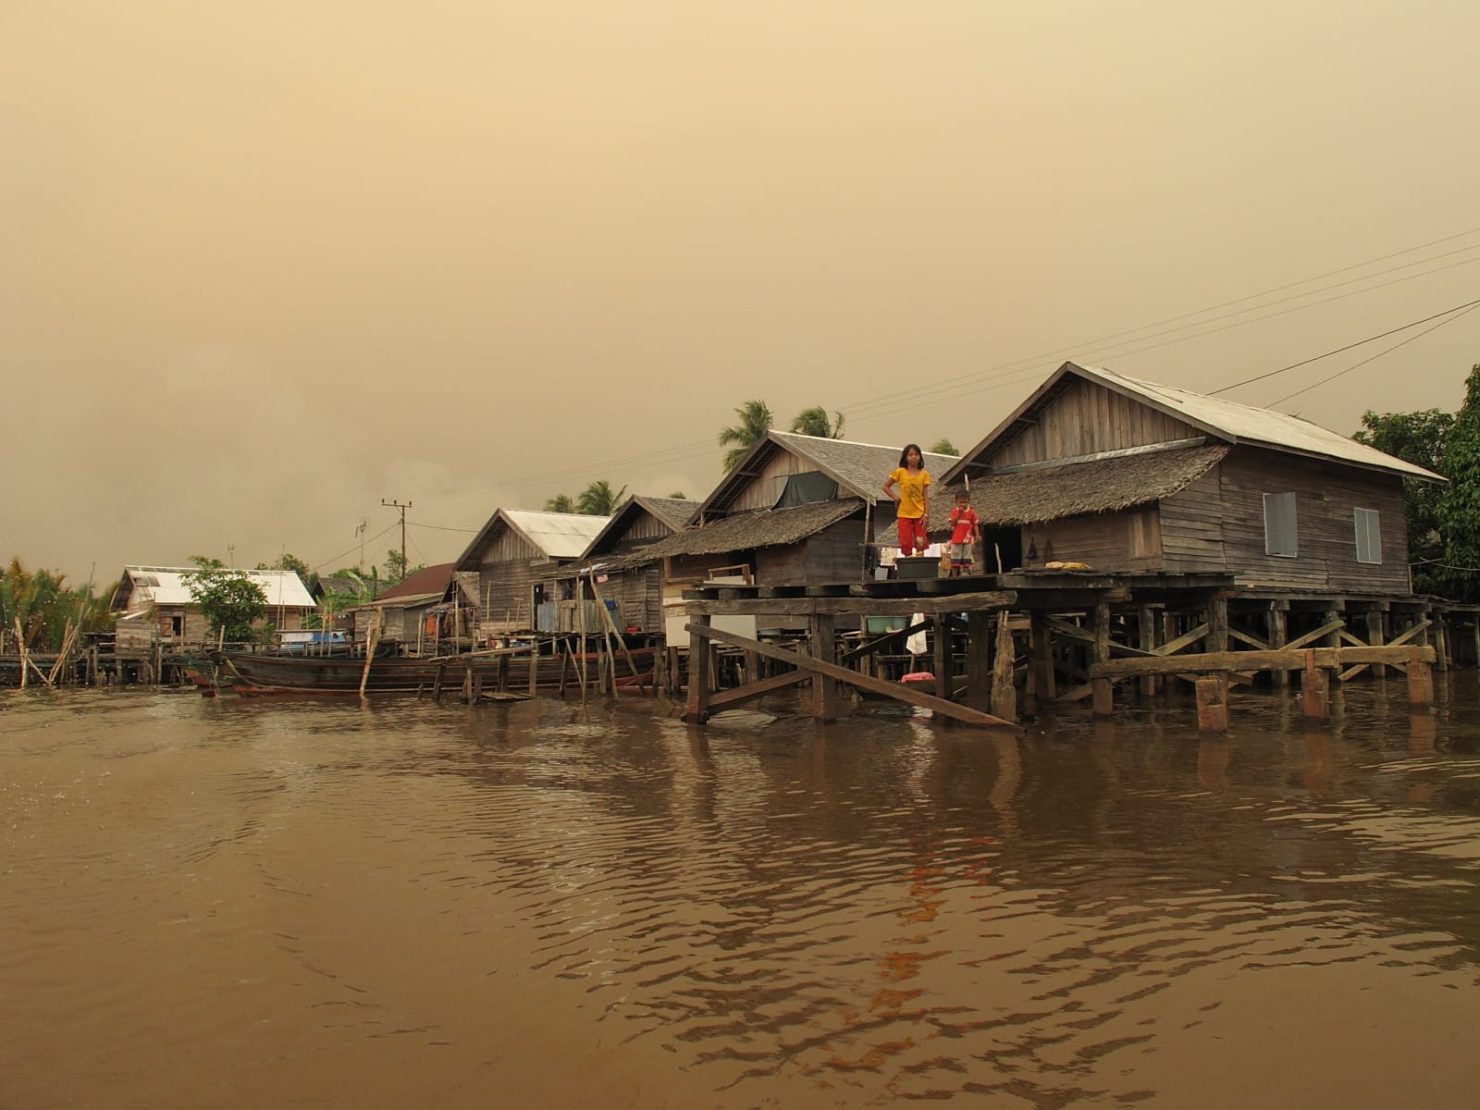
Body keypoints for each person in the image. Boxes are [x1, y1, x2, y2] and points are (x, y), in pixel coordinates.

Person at [883, 443, 932, 557]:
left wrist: (926, 514)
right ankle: (908, 567)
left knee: (920, 542)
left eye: (916, 454)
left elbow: (925, 496)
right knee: (906, 542)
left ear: (920, 457)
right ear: (905, 457)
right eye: (910, 455)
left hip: (919, 513)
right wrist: (896, 497)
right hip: (904, 513)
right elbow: (885, 486)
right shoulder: (900, 472)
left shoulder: (924, 474)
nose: (914, 457)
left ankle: (921, 566)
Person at [946, 487, 980, 577]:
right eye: (961, 502)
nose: (963, 504)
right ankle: (954, 575)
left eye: (965, 502)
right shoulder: (954, 512)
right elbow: (953, 523)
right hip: (956, 539)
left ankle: (965, 573)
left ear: (968, 502)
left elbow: (975, 524)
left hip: (967, 540)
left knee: (966, 558)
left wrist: (977, 534)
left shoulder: (971, 512)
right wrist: (959, 514)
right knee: (955, 559)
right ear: (956, 502)